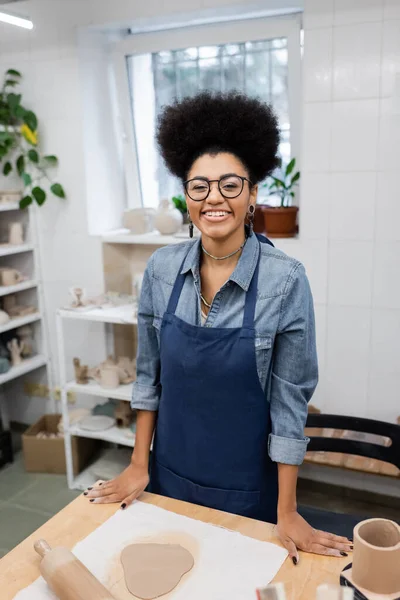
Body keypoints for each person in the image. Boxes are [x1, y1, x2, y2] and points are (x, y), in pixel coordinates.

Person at [86, 91, 352, 563]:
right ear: (186, 196)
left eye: (231, 185)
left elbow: (290, 404)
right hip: (168, 478)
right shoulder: (161, 270)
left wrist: (287, 510)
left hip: (247, 491)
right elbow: (150, 378)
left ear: (252, 194)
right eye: (199, 186)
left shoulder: (285, 281)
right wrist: (136, 464)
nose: (214, 198)